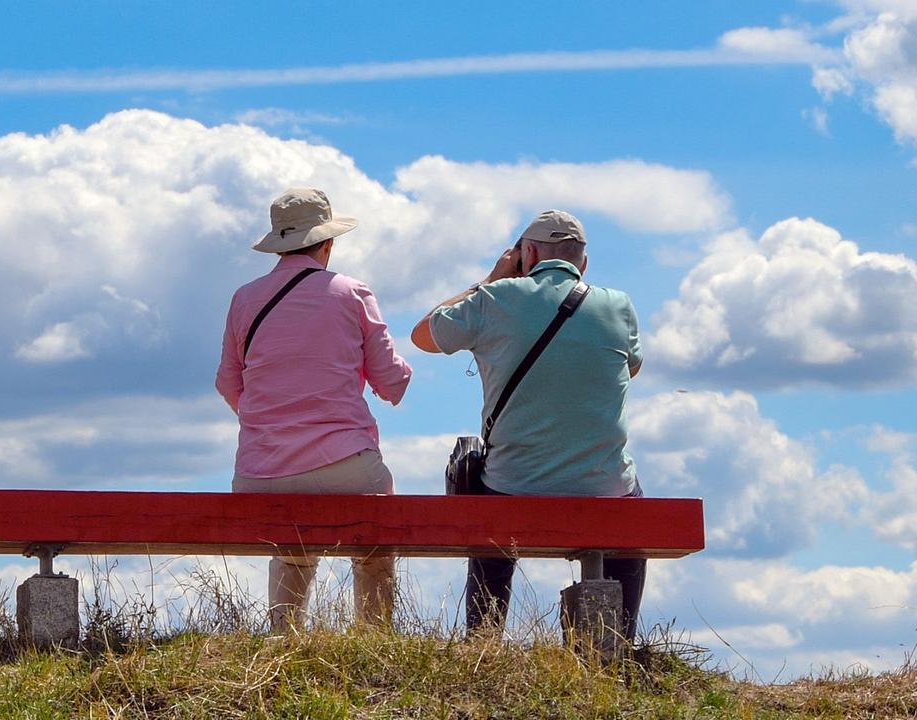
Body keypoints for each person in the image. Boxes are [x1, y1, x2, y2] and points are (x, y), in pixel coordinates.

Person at [409, 209, 645, 639]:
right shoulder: (619, 305)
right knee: (631, 505)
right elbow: (630, 369)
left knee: (483, 490)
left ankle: (484, 639)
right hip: (603, 486)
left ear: (527, 253)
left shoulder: (495, 299)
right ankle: (617, 644)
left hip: (513, 484)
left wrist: (492, 278)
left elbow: (423, 334)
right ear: (582, 263)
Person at [216, 187, 412, 633]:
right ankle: (375, 637)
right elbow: (392, 383)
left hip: (258, 474)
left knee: (292, 544)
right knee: (376, 540)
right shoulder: (351, 292)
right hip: (344, 465)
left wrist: (269, 423)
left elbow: (228, 382)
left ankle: (286, 636)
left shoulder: (244, 298)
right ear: (328, 242)